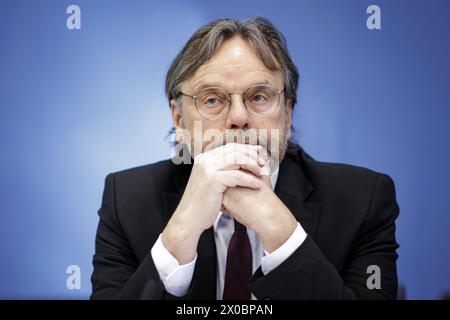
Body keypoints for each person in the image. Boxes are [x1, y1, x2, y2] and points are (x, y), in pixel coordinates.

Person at [90, 17, 399, 300]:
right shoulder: (126, 199)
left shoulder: (363, 200)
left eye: (259, 97)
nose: (239, 118)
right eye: (212, 99)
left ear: (287, 114)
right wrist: (180, 232)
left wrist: (279, 229)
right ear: (180, 120)